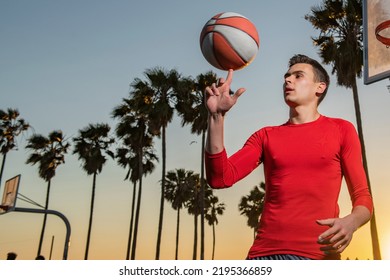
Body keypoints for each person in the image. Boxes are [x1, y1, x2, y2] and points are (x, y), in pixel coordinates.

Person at [204, 54, 373, 260]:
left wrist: (351, 222)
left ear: (320, 87)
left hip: (317, 255)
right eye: (287, 76)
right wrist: (216, 117)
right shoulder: (265, 136)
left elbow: (363, 197)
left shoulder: (342, 130)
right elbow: (220, 178)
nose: (288, 80)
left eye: (298, 76)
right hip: (264, 255)